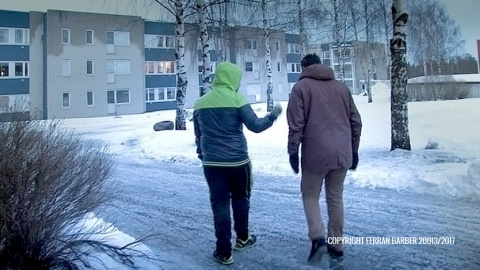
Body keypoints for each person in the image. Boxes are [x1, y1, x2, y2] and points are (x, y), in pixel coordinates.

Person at [194, 61, 282, 265]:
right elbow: (256, 126)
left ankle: (224, 252)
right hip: (238, 162)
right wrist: (273, 115)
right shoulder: (237, 99)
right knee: (241, 199)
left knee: (220, 205)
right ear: (233, 79)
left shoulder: (200, 103)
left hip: (212, 164)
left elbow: (199, 136)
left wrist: (203, 155)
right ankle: (242, 238)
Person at [286, 53, 362, 261]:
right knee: (335, 197)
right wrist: (354, 150)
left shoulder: (300, 89)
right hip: (342, 154)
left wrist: (293, 151)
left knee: (310, 195)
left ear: (303, 68)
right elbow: (356, 121)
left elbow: (296, 125)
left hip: (315, 154)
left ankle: (318, 237)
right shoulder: (342, 88)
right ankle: (336, 246)